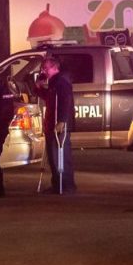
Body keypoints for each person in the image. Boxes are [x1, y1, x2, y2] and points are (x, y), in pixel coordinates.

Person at [34, 55, 76, 194]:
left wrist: (62, 120)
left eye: (46, 68)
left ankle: (65, 185)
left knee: (60, 155)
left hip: (58, 124)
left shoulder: (61, 81)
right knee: (54, 156)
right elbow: (48, 97)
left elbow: (66, 100)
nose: (44, 71)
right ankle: (59, 183)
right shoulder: (53, 82)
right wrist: (39, 88)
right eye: (43, 68)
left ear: (54, 67)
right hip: (52, 123)